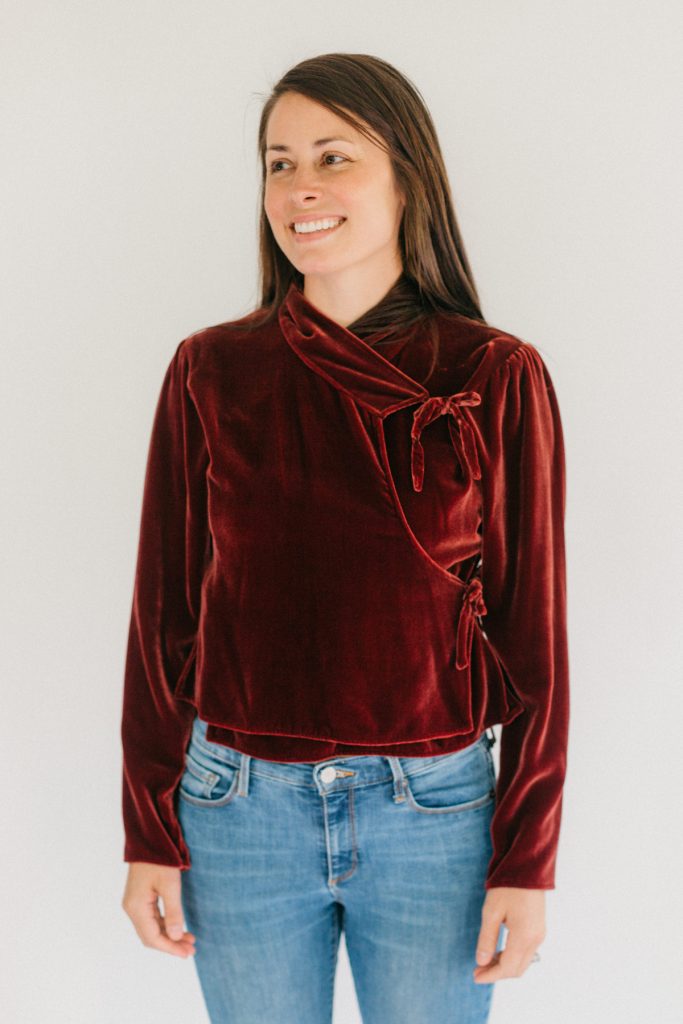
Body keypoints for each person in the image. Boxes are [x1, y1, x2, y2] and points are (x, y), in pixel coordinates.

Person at [120, 52, 569, 1024]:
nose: (300, 188)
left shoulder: (493, 373)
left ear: (406, 177)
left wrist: (526, 857)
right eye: (278, 164)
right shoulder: (209, 370)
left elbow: (533, 638)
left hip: (433, 814)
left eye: (333, 157)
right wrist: (147, 828)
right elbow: (164, 615)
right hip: (235, 810)